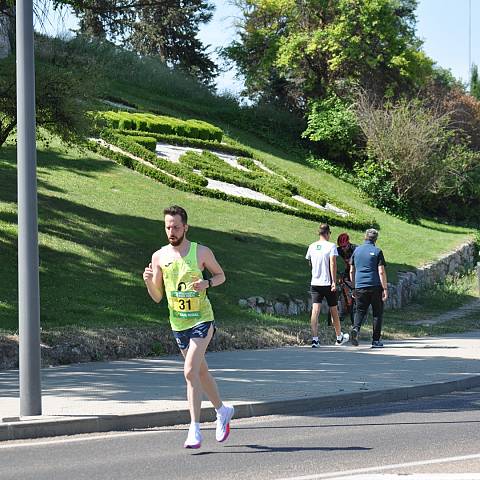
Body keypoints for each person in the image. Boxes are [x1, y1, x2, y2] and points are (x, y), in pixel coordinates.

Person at [143, 205, 234, 449]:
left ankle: (194, 429)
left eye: (175, 227)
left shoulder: (201, 252)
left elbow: (221, 275)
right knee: (200, 372)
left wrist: (207, 283)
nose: (171, 231)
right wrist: (149, 282)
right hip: (178, 323)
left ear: (186, 227)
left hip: (202, 319)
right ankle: (222, 410)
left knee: (189, 372)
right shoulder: (159, 256)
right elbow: (157, 297)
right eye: (167, 227)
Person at [306, 223, 349, 348]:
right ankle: (339, 337)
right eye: (330, 233)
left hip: (315, 282)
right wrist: (334, 281)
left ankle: (315, 339)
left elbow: (310, 263)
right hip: (328, 283)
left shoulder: (312, 246)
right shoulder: (331, 246)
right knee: (334, 310)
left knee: (315, 311)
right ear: (327, 233)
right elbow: (333, 264)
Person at [349, 228, 388, 348]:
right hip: (375, 286)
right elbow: (381, 271)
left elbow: (351, 270)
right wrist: (385, 288)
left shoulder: (357, 251)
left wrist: (354, 287)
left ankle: (356, 329)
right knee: (377, 313)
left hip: (360, 286)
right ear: (375, 239)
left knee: (360, 311)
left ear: (365, 237)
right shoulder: (377, 251)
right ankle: (375, 341)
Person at [337, 233, 357, 325]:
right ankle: (344, 308)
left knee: (354, 286)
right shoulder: (339, 250)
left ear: (349, 243)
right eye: (341, 247)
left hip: (357, 270)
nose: (342, 249)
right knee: (342, 282)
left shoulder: (355, 249)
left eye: (344, 246)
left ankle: (356, 305)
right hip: (348, 269)